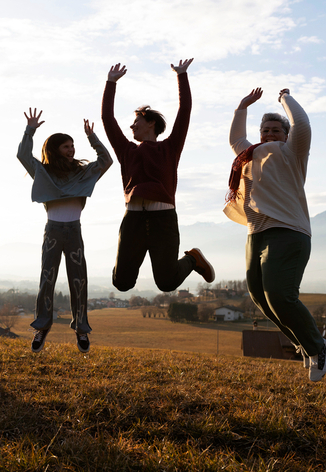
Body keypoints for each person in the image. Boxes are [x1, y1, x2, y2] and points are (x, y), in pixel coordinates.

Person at [224, 87, 326, 382]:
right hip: (255, 234)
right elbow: (235, 139)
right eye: (265, 130)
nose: (269, 134)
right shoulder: (249, 155)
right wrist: (242, 106)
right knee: (260, 296)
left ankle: (317, 345)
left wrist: (285, 97)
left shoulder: (292, 153)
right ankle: (305, 344)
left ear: (285, 134)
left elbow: (303, 125)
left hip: (287, 231)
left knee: (280, 295)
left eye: (275, 130)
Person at [101, 61, 215, 294]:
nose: (131, 126)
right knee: (121, 283)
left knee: (166, 282)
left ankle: (193, 259)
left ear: (151, 123)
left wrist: (182, 76)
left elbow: (185, 112)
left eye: (136, 122)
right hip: (132, 220)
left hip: (163, 220)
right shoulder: (126, 151)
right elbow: (107, 119)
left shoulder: (171, 147)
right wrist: (110, 83)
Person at [17, 108, 113, 353]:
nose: (71, 149)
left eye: (72, 145)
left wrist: (93, 139)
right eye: (66, 146)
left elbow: (106, 161)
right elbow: (22, 155)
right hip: (53, 231)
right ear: (55, 150)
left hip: (74, 231)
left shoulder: (83, 173)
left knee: (79, 280)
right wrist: (30, 130)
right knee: (46, 280)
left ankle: (81, 329)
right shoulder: (43, 173)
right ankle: (42, 326)